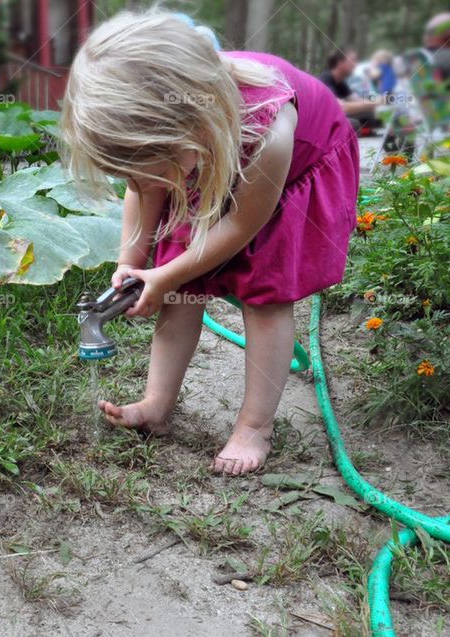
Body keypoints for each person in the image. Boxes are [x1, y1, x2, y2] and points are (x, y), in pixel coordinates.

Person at [59, 10, 359, 475]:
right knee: (180, 286)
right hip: (209, 159)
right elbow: (145, 188)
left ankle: (255, 426)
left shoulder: (269, 130)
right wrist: (134, 262)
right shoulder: (172, 131)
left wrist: (166, 273)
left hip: (289, 176)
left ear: (193, 127)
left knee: (265, 298)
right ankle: (156, 406)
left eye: (153, 164)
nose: (141, 181)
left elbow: (241, 225)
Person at [318, 49, 379, 129]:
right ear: (340, 62)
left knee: (370, 115)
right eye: (352, 60)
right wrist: (374, 103)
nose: (355, 65)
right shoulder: (325, 80)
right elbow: (341, 108)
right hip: (320, 124)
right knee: (354, 124)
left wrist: (377, 100)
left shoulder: (340, 82)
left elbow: (357, 100)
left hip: (332, 120)